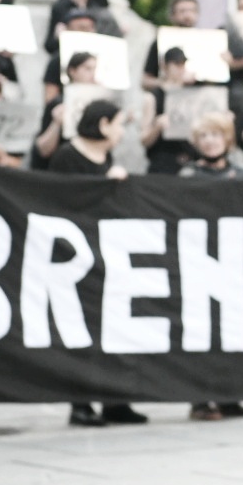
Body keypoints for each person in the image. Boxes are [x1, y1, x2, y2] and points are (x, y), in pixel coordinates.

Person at [49, 100, 145, 427]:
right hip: (74, 256)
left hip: (106, 253)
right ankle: (81, 402)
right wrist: (104, 183)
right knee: (81, 330)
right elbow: (63, 198)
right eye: (118, 125)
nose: (121, 133)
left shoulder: (107, 157)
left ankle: (115, 400)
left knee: (114, 327)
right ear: (103, 124)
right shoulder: (67, 156)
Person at [177, 111, 243, 421]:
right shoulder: (188, 177)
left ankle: (230, 397)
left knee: (235, 330)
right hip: (200, 261)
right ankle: (200, 399)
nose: (210, 142)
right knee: (201, 332)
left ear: (227, 138)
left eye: (215, 135)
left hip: (236, 261)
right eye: (203, 136)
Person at [34, 51, 106, 166]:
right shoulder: (57, 103)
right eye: (87, 69)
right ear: (72, 71)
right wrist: (57, 123)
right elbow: (43, 149)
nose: (93, 74)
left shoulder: (99, 105)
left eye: (95, 69)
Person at [145, 47, 200, 175]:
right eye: (176, 64)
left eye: (182, 64)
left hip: (190, 159)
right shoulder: (153, 97)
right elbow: (144, 140)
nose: (180, 69)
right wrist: (157, 127)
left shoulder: (191, 95)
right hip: (163, 161)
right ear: (165, 66)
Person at [142, 0, 207, 91]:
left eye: (192, 10)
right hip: (170, 95)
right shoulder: (161, 41)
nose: (187, 15)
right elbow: (145, 81)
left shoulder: (209, 43)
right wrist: (167, 83)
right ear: (172, 15)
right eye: (182, 11)